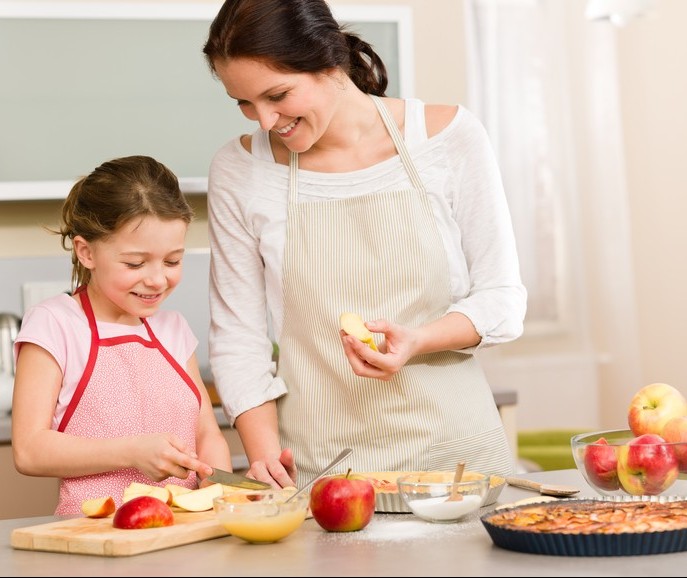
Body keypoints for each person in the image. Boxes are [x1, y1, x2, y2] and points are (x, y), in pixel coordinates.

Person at [202, 0, 527, 488]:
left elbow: (502, 299)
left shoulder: (448, 139)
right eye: (245, 103)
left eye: (278, 95)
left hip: (456, 464)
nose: (264, 121)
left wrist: (418, 339)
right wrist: (265, 456)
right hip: (323, 471)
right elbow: (237, 338)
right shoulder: (240, 170)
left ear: (330, 64)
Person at [12, 155, 232, 515]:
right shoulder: (55, 324)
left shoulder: (173, 328)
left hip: (183, 536)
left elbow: (206, 433)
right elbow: (29, 449)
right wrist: (131, 452)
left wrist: (215, 482)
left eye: (173, 261)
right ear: (87, 252)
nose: (158, 279)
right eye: (135, 263)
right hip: (93, 545)